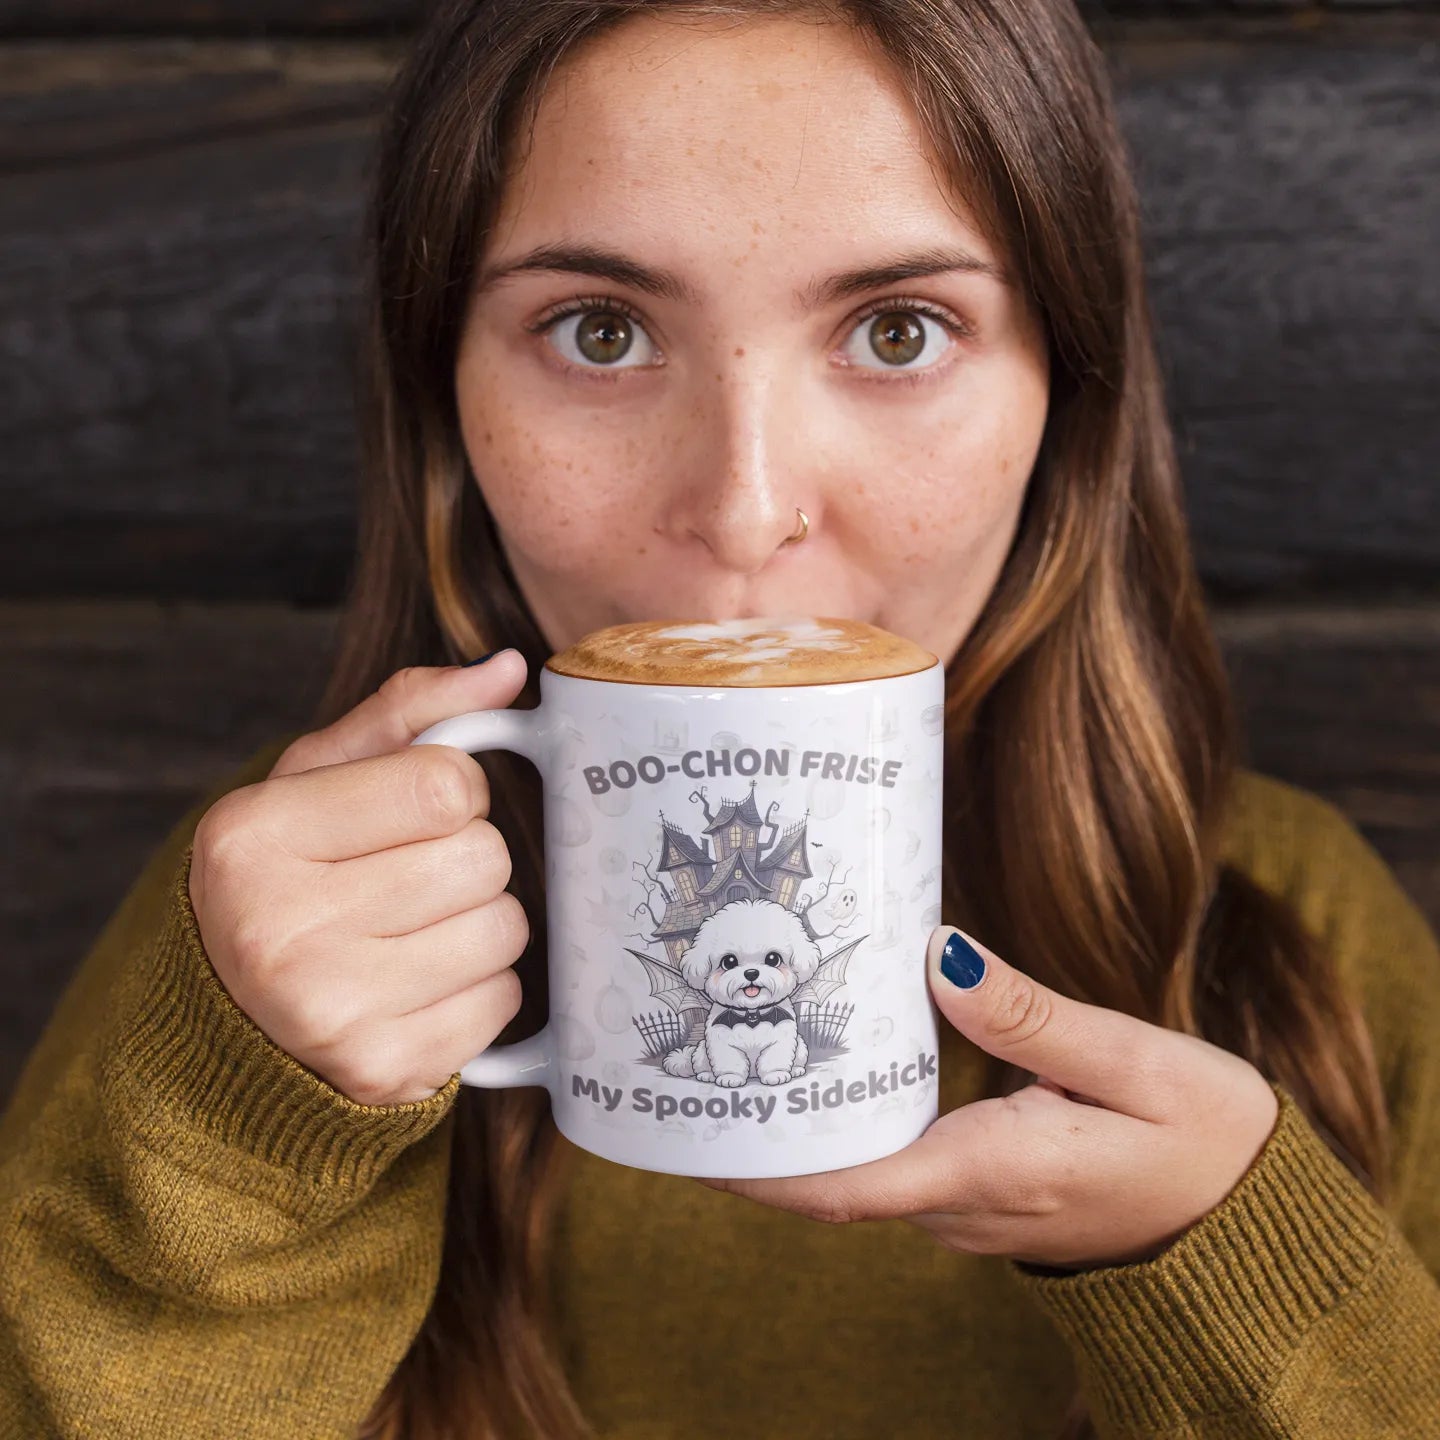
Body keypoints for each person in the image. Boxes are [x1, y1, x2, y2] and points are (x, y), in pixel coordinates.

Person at [3, 0, 1437, 1435]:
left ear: (1064, 396)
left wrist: (1241, 1275)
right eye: (601, 329)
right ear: (446, 400)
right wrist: (245, 1140)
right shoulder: (267, 936)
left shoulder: (1298, 935)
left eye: (897, 329)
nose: (746, 515)